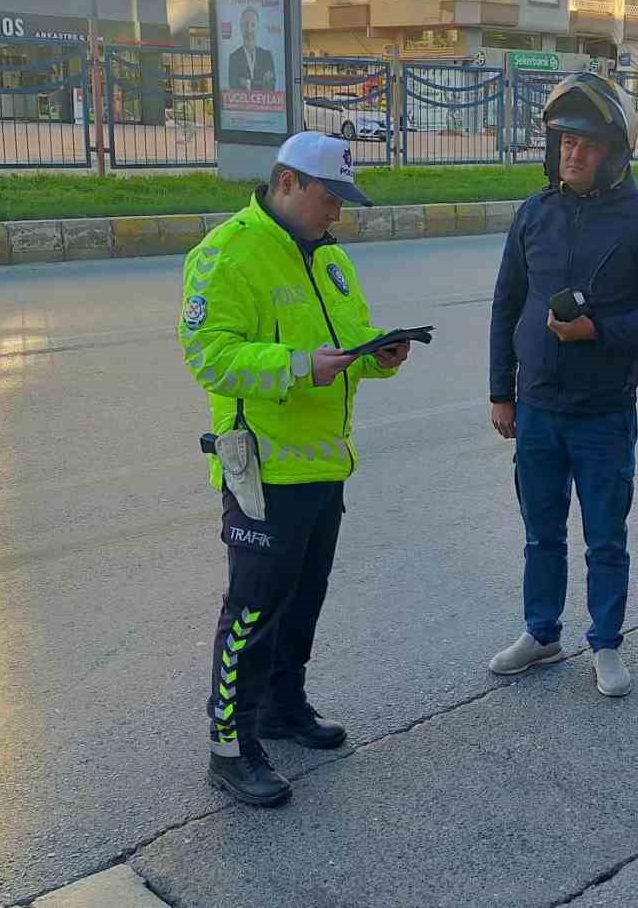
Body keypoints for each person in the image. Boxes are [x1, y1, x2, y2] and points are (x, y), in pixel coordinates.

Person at [179, 130, 411, 807]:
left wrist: (378, 355)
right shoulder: (227, 254)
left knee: (303, 598)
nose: (338, 210)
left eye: (343, 197)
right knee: (251, 610)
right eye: (327, 196)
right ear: (286, 183)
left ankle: (284, 706)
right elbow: (209, 354)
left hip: (324, 463)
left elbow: (348, 344)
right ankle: (230, 743)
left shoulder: (332, 260)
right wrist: (297, 367)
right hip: (262, 471)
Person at [486, 73, 638, 698]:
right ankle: (542, 633)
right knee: (541, 531)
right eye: (565, 141)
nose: (573, 153)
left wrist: (598, 331)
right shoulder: (533, 215)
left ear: (613, 153)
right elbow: (505, 304)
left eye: (588, 144)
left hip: (602, 413)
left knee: (605, 536)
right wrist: (502, 391)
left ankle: (605, 643)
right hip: (539, 409)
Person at [227, 7, 276, 91]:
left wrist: (247, 83)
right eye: (246, 24)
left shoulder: (267, 56)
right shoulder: (234, 58)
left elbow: (271, 87)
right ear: (241, 27)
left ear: (258, 28)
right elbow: (234, 87)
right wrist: (262, 83)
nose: (249, 29)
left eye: (253, 25)